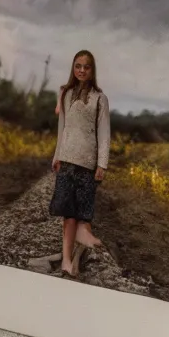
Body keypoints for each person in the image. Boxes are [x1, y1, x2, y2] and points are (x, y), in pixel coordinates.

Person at [49, 49, 110, 277]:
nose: (81, 70)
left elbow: (104, 134)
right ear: (73, 69)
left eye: (86, 66)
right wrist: (57, 156)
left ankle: (78, 256)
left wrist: (102, 164)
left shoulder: (99, 99)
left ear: (92, 70)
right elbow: (61, 128)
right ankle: (66, 260)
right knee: (68, 214)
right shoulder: (66, 95)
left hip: (87, 162)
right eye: (77, 66)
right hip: (67, 159)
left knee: (83, 212)